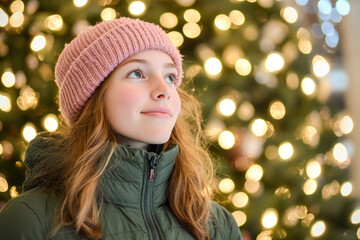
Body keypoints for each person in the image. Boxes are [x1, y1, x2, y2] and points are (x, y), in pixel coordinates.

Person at [0, 17, 242, 240]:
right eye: (137, 73)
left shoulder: (216, 225)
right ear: (94, 97)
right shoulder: (30, 220)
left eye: (170, 76)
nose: (165, 90)